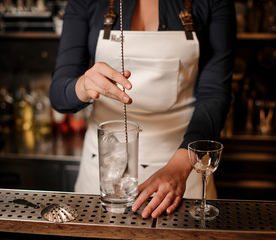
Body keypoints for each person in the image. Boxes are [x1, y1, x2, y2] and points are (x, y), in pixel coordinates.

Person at [50, 0, 236, 219]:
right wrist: (81, 86)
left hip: (184, 166)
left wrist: (182, 164)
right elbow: (59, 95)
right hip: (104, 172)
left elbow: (214, 93)